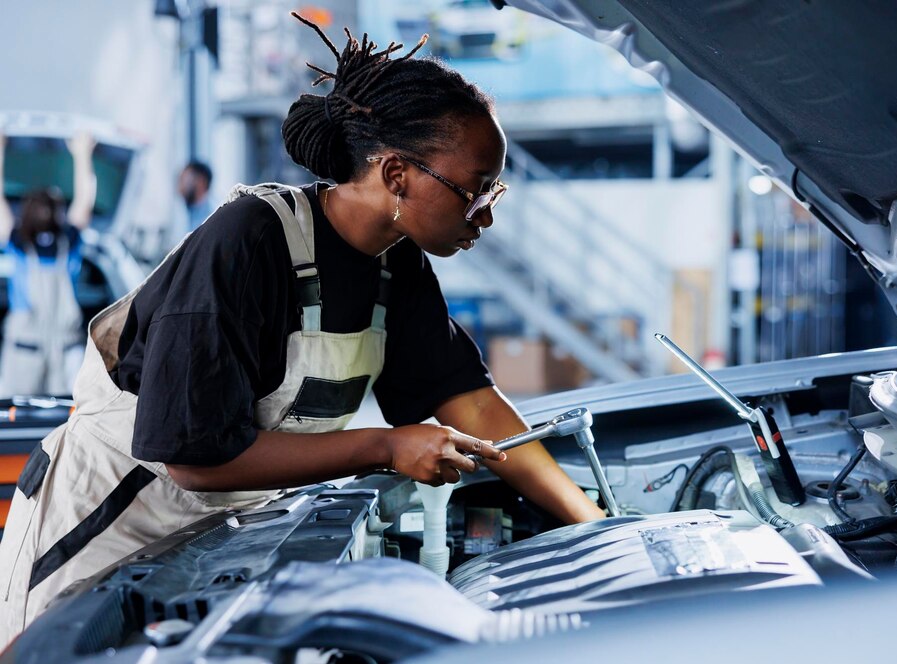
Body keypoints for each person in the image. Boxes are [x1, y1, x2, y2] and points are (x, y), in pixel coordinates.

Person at [0, 18, 604, 648]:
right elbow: (193, 455)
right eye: (476, 191)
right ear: (396, 174)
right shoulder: (248, 240)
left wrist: (590, 523)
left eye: (494, 191)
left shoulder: (396, 266)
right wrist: (386, 446)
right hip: (109, 519)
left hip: (221, 532)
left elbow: (470, 402)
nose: (486, 215)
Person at [0, 130, 96, 397]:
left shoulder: (17, 242)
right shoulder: (69, 241)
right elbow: (85, 203)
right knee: (69, 418)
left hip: (31, 350)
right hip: (63, 350)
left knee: (18, 417)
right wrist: (82, 154)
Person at [177, 159, 213, 230]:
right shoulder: (182, 210)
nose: (180, 187)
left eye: (183, 180)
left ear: (201, 182)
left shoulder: (212, 217)